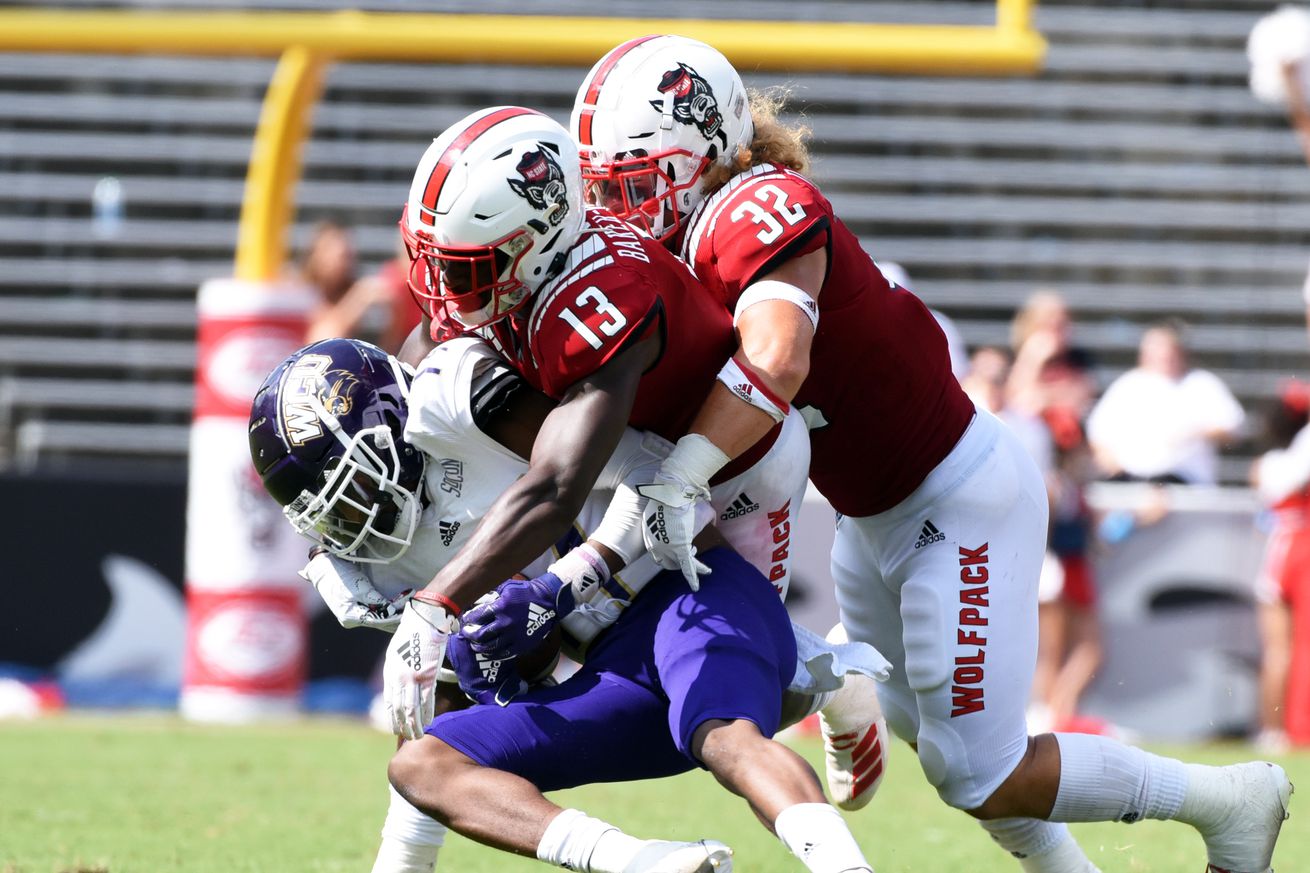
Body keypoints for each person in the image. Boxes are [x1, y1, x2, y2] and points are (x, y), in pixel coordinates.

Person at [572, 34, 1293, 873]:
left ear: (706, 152)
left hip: (954, 497)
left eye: (635, 185)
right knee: (936, 737)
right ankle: (848, 687)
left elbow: (775, 356)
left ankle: (1229, 799)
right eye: (606, 190)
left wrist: (681, 477)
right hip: (870, 519)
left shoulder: (757, 206)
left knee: (978, 770)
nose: (622, 212)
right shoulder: (685, 243)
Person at [389, 105, 884, 867]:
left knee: (734, 704)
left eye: (465, 268)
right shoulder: (525, 291)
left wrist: (442, 603)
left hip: (736, 464)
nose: (442, 289)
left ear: (532, 245)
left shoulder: (596, 298)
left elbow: (572, 482)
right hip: (643, 512)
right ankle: (640, 859)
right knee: (430, 751)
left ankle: (832, 681)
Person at [249, 336, 886, 873]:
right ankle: (639, 862)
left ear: (389, 419)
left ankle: (837, 766)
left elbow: (660, 479)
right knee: (422, 763)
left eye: (354, 487)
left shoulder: (462, 405)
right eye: (329, 513)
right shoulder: (368, 561)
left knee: (726, 734)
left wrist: (562, 587)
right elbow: (428, 733)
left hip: (680, 584)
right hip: (608, 668)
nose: (354, 523)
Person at [1086, 321, 1245, 485]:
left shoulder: (1202, 384)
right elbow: (1098, 433)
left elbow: (1233, 427)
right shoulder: (1128, 385)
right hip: (1133, 482)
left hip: (1186, 482)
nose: (1162, 355)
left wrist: (1195, 433)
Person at [1251, 380, 1310, 751]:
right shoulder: (1293, 461)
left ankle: (1272, 730)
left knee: (1278, 649)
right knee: (1292, 648)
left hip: (1277, 553)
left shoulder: (1266, 464)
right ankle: (1293, 727)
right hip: (1298, 550)